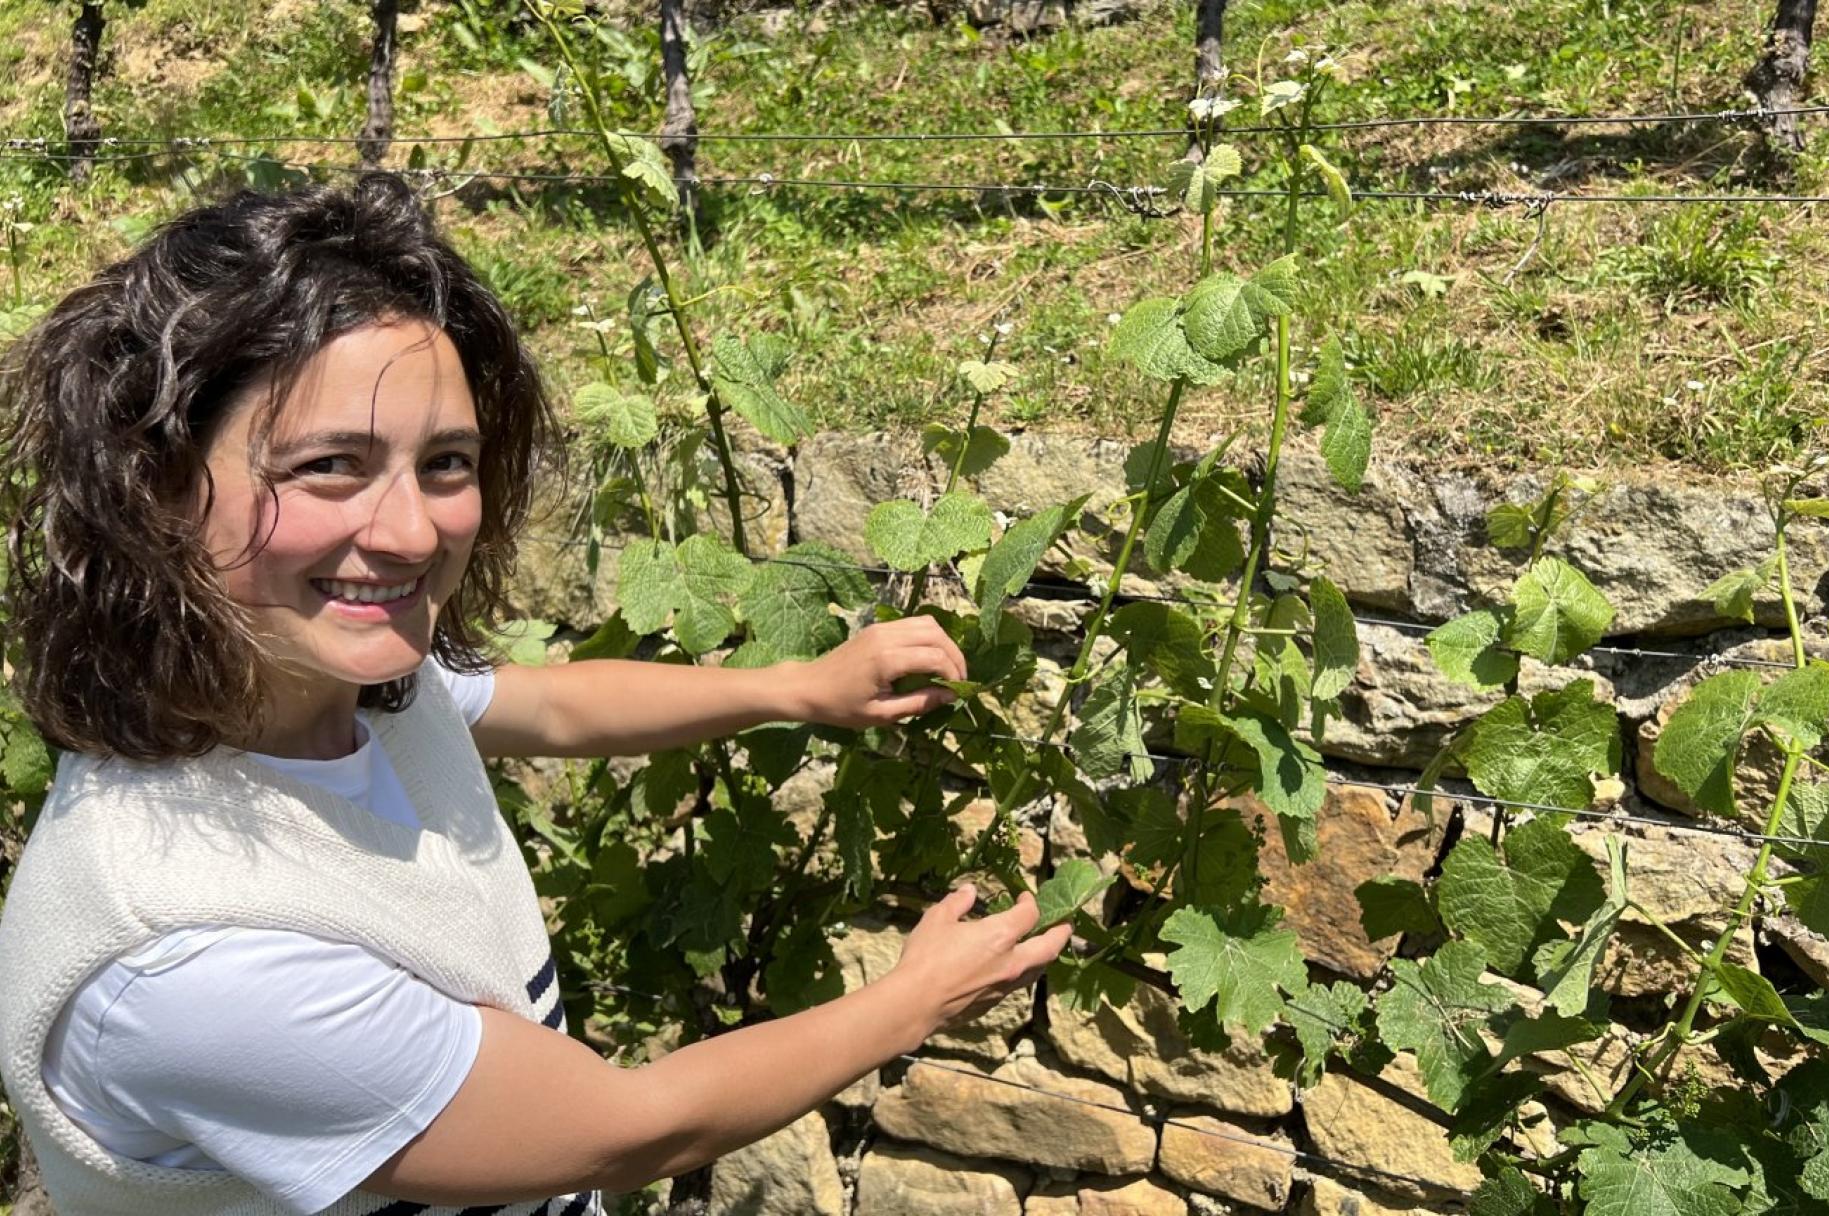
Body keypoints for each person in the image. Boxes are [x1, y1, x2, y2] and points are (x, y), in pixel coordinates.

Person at [0, 172, 1070, 1216]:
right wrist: (912, 997)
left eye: (448, 462)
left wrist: (800, 686)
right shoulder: (186, 961)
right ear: (154, 482)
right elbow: (631, 1128)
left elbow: (551, 706)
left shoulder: (336, 689)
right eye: (331, 464)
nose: (414, 531)